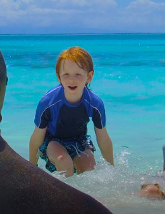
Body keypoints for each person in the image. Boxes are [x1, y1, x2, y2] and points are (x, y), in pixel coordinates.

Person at [29, 46, 114, 177]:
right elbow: (36, 138)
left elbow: (103, 138)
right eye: (66, 74)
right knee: (64, 163)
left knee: (89, 170)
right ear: (58, 76)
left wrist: (111, 169)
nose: (71, 79)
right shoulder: (48, 102)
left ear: (89, 76)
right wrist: (32, 169)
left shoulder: (95, 103)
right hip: (52, 142)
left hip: (80, 141)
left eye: (78, 74)